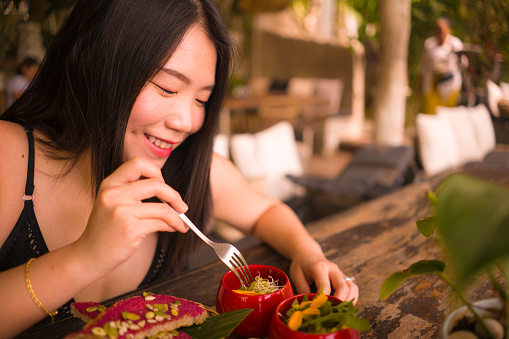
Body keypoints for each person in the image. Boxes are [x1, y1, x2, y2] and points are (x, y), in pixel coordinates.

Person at [0, 0, 358, 336]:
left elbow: (265, 210)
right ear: (99, 65)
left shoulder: (184, 170)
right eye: (167, 88)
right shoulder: (10, 155)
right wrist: (86, 257)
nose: (186, 121)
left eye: (201, 99)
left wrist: (308, 253)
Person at [420, 17, 464, 114]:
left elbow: (464, 64)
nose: (439, 32)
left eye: (442, 29)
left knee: (448, 113)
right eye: (437, 29)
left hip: (451, 84)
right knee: (431, 113)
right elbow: (424, 65)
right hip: (433, 82)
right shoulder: (429, 44)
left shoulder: (456, 43)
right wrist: (419, 82)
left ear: (448, 30)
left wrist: (457, 55)